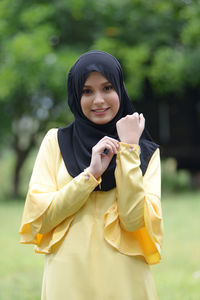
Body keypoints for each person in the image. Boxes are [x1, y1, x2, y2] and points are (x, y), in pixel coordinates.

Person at [19, 50, 164, 300]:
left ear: (120, 89)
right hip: (67, 281)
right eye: (87, 91)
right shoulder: (56, 142)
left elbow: (132, 220)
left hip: (125, 281)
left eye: (107, 88)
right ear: (76, 95)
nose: (98, 100)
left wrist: (129, 150)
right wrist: (90, 175)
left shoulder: (146, 153)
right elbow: (41, 219)